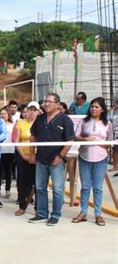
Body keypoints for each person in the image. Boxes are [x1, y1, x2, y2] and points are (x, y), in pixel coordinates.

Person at [29, 93, 75, 226]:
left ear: (57, 104)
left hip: (56, 160)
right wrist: (32, 154)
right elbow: (33, 136)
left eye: (50, 101)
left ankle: (55, 215)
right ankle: (42, 214)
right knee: (40, 187)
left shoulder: (65, 119)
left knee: (58, 189)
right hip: (41, 159)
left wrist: (60, 156)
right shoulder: (40, 118)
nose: (46, 104)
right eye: (45, 101)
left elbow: (69, 140)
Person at [73, 97, 112, 226]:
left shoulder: (108, 124)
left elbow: (109, 143)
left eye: (96, 107)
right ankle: (83, 212)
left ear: (102, 109)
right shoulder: (84, 122)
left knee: (98, 188)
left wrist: (99, 143)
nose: (93, 109)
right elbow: (75, 137)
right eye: (92, 107)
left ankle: (98, 214)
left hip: (101, 158)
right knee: (85, 187)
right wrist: (86, 140)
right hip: (85, 156)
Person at [13, 101, 39, 216]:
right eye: (30, 109)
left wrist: (35, 156)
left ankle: (39, 208)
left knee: (39, 182)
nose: (32, 112)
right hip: (22, 156)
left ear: (38, 112)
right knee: (23, 181)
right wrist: (24, 155)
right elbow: (16, 141)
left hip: (38, 157)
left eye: (35, 110)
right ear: (26, 111)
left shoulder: (41, 124)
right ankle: (22, 206)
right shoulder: (20, 123)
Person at [0, 107, 14, 199]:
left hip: (10, 151)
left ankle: (8, 189)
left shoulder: (12, 125)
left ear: (8, 115)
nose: (2, 115)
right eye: (1, 114)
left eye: (4, 114)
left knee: (8, 171)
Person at [108, 97, 118, 177]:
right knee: (115, 149)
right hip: (114, 132)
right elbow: (108, 119)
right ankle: (115, 166)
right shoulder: (112, 111)